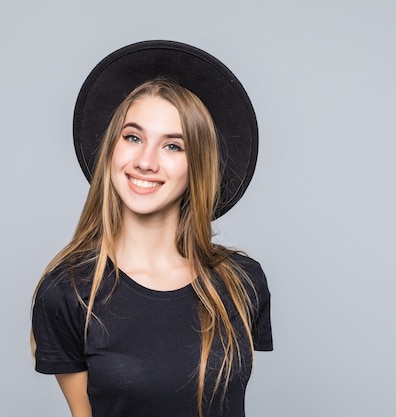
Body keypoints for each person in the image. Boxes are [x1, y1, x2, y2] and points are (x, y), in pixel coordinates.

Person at [31, 40, 273, 417]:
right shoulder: (69, 292)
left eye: (173, 146)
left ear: (198, 165)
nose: (145, 161)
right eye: (133, 138)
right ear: (111, 149)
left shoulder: (242, 281)